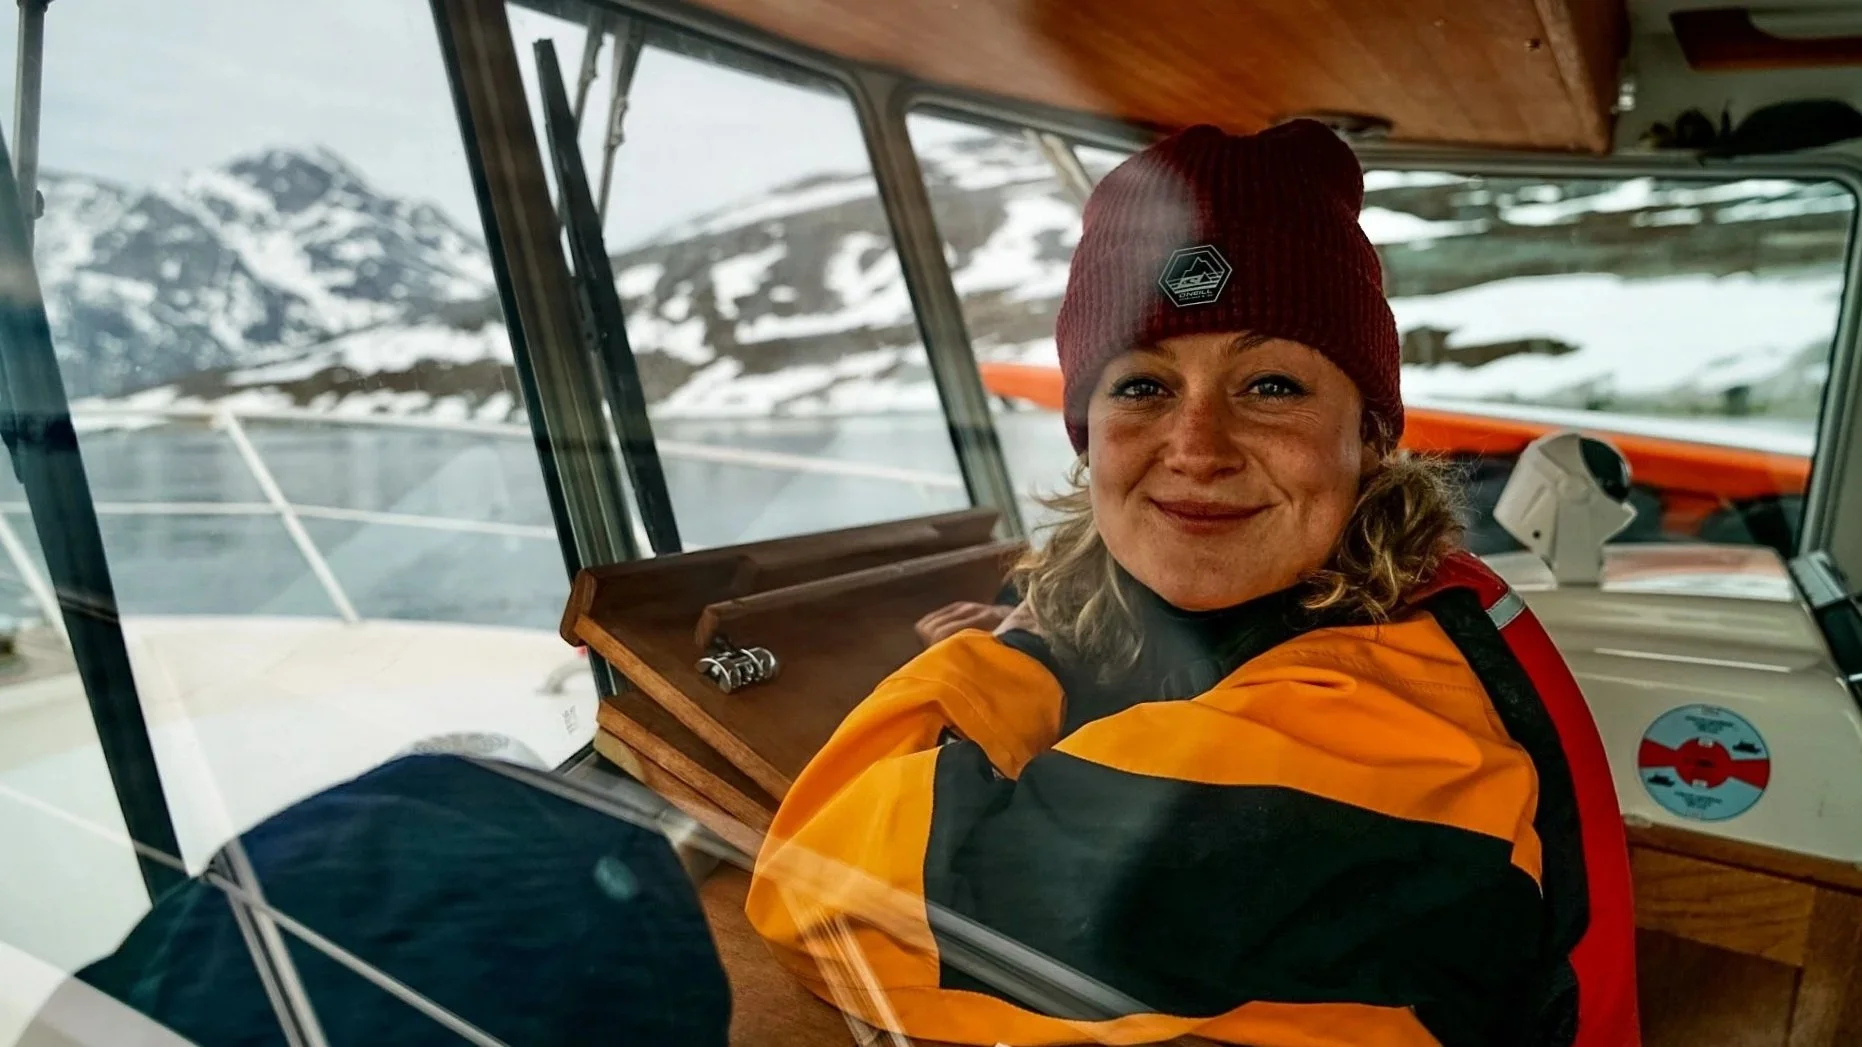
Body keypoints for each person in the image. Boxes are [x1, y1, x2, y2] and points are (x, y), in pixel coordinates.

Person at [745, 122, 1636, 1047]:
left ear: (1369, 437)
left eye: (1273, 386)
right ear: (1088, 435)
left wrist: (1024, 648)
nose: (1198, 448)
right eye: (1142, 386)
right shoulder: (1360, 601)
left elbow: (829, 893)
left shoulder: (1397, 726)